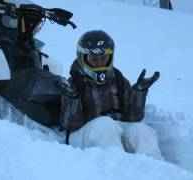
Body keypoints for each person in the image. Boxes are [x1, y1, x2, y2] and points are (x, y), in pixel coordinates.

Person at [56, 30, 163, 159]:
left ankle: (153, 166)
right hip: (82, 133)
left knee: (141, 130)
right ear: (82, 58)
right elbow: (70, 125)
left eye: (103, 58)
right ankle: (115, 166)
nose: (100, 63)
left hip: (115, 128)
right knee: (105, 124)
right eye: (94, 59)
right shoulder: (76, 82)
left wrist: (139, 92)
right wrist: (72, 100)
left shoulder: (117, 78)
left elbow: (133, 118)